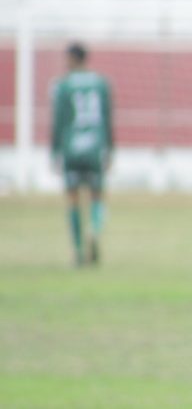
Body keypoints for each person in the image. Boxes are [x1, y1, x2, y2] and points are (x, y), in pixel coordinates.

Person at [50, 42, 114, 267]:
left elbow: (58, 121)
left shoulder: (63, 85)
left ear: (74, 59)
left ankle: (77, 251)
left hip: (72, 148)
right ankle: (94, 231)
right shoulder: (101, 83)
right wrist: (110, 150)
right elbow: (107, 118)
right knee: (97, 196)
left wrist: (54, 152)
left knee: (73, 200)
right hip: (96, 148)